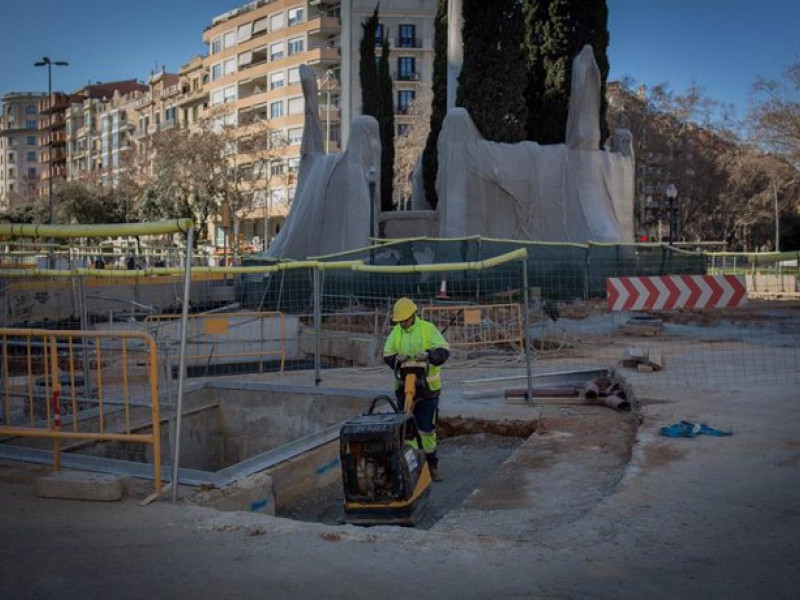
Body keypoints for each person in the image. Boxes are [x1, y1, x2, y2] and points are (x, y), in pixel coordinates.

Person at [383, 297, 450, 481]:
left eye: (405, 319)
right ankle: (411, 469)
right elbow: (387, 354)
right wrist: (396, 358)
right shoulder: (396, 333)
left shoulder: (427, 329)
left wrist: (429, 355)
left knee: (427, 430)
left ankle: (431, 466)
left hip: (428, 390)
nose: (403, 323)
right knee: (407, 431)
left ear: (413, 315)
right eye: (400, 321)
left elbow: (444, 351)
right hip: (404, 389)